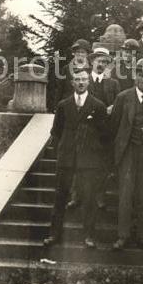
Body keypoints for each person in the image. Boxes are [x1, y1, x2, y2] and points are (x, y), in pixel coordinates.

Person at [43, 68, 108, 249]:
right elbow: (55, 132)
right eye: (77, 79)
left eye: (84, 79)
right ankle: (54, 235)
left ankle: (88, 236)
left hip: (88, 161)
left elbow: (105, 135)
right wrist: (63, 152)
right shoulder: (64, 105)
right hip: (67, 159)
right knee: (60, 197)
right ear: (72, 82)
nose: (80, 82)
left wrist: (93, 153)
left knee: (89, 198)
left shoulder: (98, 106)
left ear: (89, 82)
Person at [110, 58, 143, 250]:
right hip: (128, 151)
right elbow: (114, 126)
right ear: (134, 76)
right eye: (140, 73)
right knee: (125, 194)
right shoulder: (123, 97)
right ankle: (122, 236)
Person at [83, 47, 120, 210]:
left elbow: (119, 105)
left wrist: (113, 108)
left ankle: (100, 196)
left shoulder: (113, 83)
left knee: (103, 166)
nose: (101, 64)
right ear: (91, 62)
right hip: (86, 129)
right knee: (82, 164)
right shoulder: (83, 80)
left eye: (105, 62)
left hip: (105, 132)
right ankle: (78, 196)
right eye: (99, 61)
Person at [54, 38, 91, 108]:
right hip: (68, 104)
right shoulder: (66, 69)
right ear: (74, 53)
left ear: (87, 54)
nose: (80, 54)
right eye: (77, 52)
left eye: (82, 52)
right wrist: (57, 106)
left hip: (86, 104)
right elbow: (60, 88)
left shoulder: (91, 69)